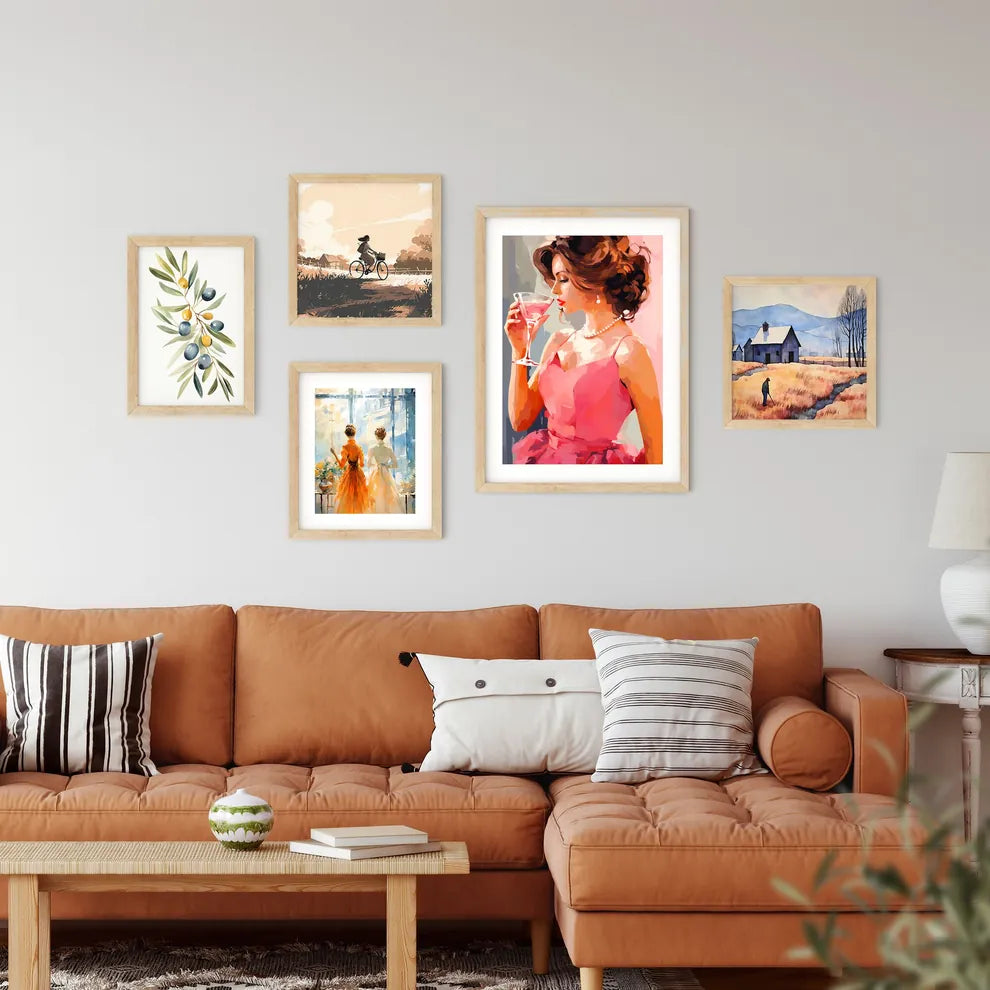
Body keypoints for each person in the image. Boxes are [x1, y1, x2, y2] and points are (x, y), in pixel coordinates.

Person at [504, 235, 662, 464]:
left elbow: (658, 453)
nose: (554, 290)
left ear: (594, 280)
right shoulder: (559, 341)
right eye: (555, 280)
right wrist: (519, 349)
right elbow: (519, 420)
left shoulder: (628, 351)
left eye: (564, 279)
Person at [333, 425, 369, 513]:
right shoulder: (358, 448)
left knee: (347, 496)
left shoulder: (345, 447)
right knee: (358, 497)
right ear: (354, 434)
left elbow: (341, 465)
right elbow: (362, 464)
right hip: (358, 474)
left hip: (349, 474)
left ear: (346, 435)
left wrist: (334, 454)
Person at [366, 427, 401, 514]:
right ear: (384, 436)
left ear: (376, 436)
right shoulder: (388, 449)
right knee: (386, 494)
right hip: (385, 473)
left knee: (376, 494)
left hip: (376, 472)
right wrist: (386, 466)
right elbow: (395, 464)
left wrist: (377, 465)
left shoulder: (372, 449)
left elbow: (368, 464)